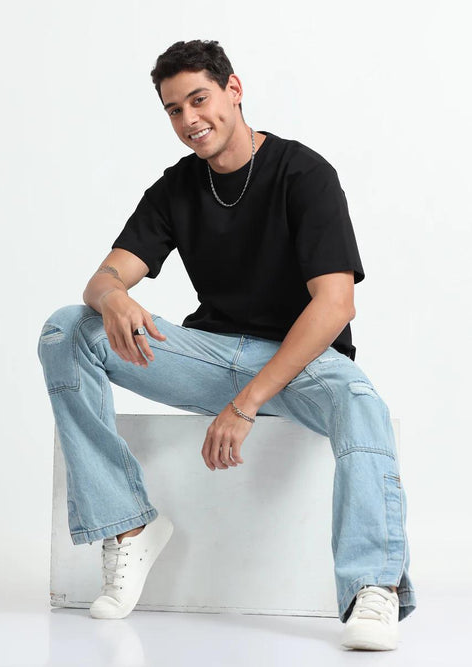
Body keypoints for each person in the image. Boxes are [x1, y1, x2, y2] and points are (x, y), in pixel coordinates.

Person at [37, 39, 416, 649]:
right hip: (209, 357)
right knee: (67, 328)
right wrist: (112, 298)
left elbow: (335, 305)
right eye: (174, 109)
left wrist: (246, 405)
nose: (189, 119)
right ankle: (127, 527)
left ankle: (374, 587)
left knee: (362, 404)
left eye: (199, 99)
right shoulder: (176, 188)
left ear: (234, 90)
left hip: (302, 363)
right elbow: (102, 278)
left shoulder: (303, 173)